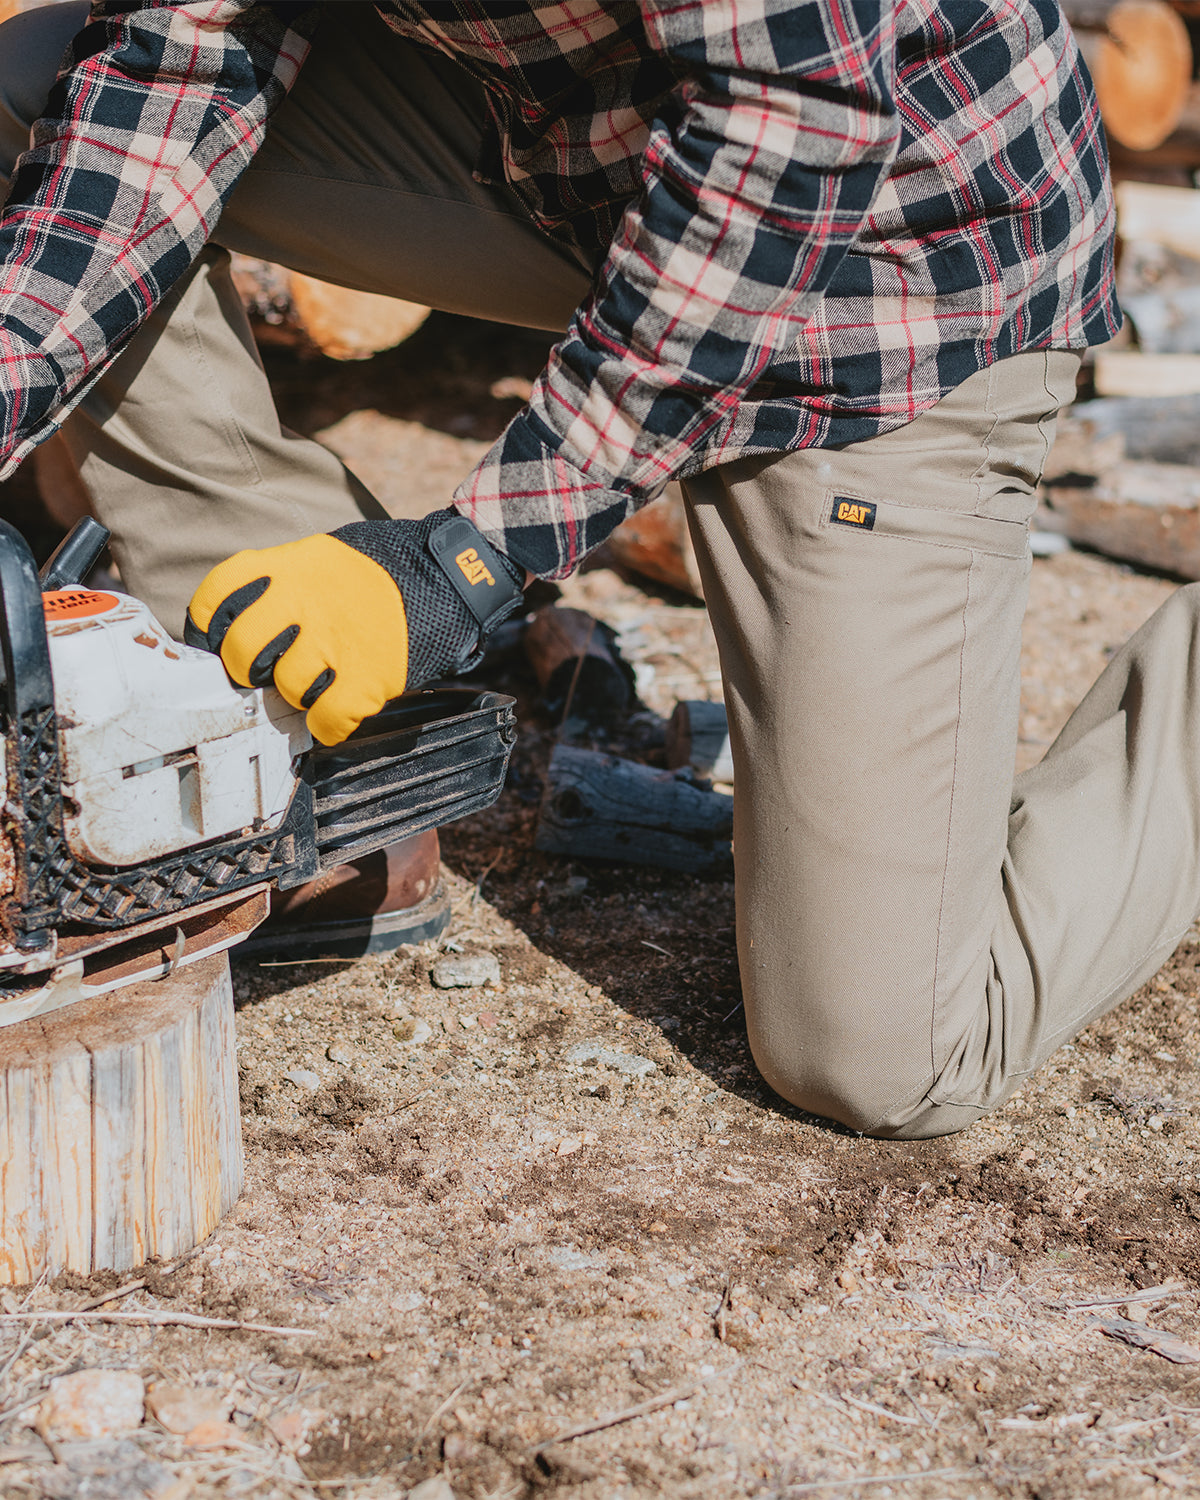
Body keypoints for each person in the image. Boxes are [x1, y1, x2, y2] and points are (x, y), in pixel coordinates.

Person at [1, 0, 1179, 1143]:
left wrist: (462, 562)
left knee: (881, 1051)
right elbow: (171, 64)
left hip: (884, 275)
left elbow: (798, 121)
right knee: (32, 80)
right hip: (583, 171)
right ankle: (306, 759)